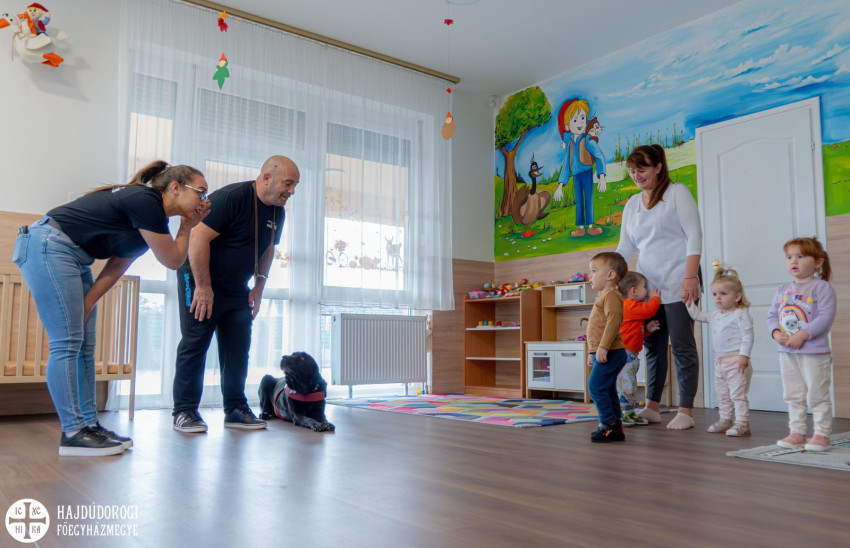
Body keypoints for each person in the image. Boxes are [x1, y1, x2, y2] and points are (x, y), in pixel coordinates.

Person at [13, 161, 211, 456]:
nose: (204, 200)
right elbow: (172, 260)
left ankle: (89, 425)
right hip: (47, 245)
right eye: (201, 191)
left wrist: (87, 303)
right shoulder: (146, 200)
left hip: (73, 255)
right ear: (175, 187)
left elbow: (117, 266)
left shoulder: (149, 222)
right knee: (67, 342)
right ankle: (73, 432)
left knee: (84, 344)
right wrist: (186, 227)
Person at [172, 155, 300, 433]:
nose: (291, 191)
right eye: (288, 184)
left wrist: (259, 287)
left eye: (294, 186)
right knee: (196, 342)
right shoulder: (231, 198)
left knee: (238, 345)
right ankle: (184, 411)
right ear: (267, 178)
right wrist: (203, 287)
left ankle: (235, 408)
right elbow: (197, 238)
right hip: (198, 278)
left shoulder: (278, 212)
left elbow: (268, 249)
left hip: (236, 286)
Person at [616, 144, 702, 430]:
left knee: (682, 345)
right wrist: (609, 276)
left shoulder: (677, 193)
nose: (636, 176)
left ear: (658, 167)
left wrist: (691, 277)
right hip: (648, 288)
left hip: (679, 279)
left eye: (641, 169)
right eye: (632, 171)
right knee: (653, 346)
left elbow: (694, 235)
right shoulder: (632, 204)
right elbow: (625, 247)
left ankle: (686, 410)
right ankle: (652, 407)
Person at [767, 237, 835, 452]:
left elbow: (825, 317)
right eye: (789, 257)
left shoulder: (821, 287)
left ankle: (822, 434)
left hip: (814, 353)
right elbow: (772, 315)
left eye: (800, 256)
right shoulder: (782, 289)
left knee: (817, 394)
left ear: (818, 262)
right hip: (787, 351)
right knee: (793, 393)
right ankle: (797, 432)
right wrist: (776, 333)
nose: (793, 261)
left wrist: (803, 334)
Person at [686, 266, 754, 437]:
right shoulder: (715, 314)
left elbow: (748, 335)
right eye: (715, 294)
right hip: (719, 361)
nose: (718, 297)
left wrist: (744, 355)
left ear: (737, 297)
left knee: (737, 394)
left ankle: (742, 424)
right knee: (722, 393)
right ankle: (725, 420)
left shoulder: (740, 314)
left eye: (723, 294)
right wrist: (689, 302)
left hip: (736, 361)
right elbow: (697, 315)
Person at [585, 251, 629, 443]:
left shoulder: (611, 295)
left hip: (611, 351)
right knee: (607, 388)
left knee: (595, 386)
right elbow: (597, 327)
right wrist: (592, 351)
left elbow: (613, 321)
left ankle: (608, 424)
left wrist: (602, 347)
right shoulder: (604, 295)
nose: (590, 275)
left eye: (594, 271)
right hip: (604, 351)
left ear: (610, 275)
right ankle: (615, 426)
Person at [552, 98, 607, 237]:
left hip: (587, 173)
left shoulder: (587, 140)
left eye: (582, 118)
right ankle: (581, 228)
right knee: (579, 201)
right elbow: (566, 165)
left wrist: (602, 177)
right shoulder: (570, 144)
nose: (580, 123)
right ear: (567, 125)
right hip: (576, 176)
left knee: (588, 199)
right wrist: (560, 185)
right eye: (575, 120)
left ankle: (591, 226)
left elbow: (599, 156)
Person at [616, 271, 661, 427]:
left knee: (630, 385)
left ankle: (629, 412)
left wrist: (647, 330)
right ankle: (623, 414)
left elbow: (635, 332)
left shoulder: (631, 307)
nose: (647, 291)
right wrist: (655, 298)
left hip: (631, 354)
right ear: (633, 291)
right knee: (626, 386)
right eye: (645, 287)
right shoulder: (629, 305)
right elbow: (649, 310)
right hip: (625, 354)